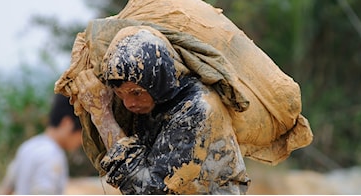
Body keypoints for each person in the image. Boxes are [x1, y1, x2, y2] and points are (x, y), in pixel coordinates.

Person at [74, 26, 250, 194]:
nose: (129, 103)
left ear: (158, 81)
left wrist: (102, 115)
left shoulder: (197, 108)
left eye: (136, 92)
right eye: (120, 94)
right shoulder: (153, 103)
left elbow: (147, 190)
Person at [0, 94, 83, 195]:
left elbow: (5, 190)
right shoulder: (52, 156)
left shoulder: (28, 146)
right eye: (82, 134)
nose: (81, 142)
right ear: (67, 123)